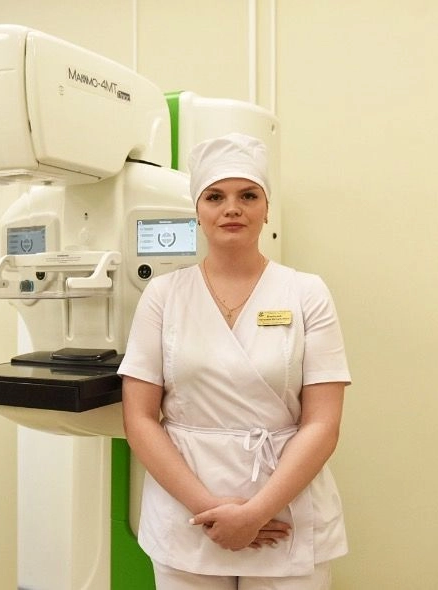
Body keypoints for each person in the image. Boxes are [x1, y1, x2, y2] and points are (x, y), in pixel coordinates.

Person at [118, 133, 351, 590]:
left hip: (284, 510)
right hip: (187, 511)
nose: (232, 208)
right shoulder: (163, 296)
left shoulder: (306, 293)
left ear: (266, 209)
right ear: (197, 210)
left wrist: (255, 514)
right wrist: (209, 511)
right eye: (215, 197)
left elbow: (323, 423)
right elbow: (139, 418)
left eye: (248, 195)